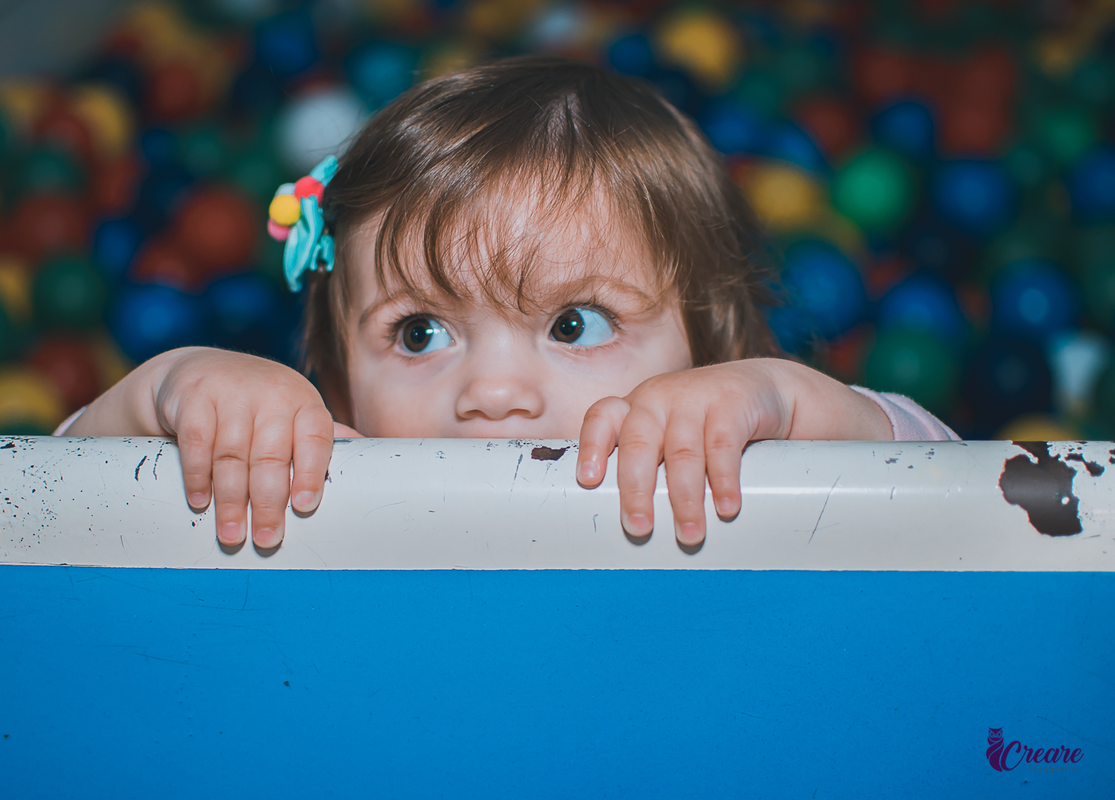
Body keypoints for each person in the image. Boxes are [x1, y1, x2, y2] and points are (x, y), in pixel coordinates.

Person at [59, 56, 956, 551]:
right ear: (336, 386)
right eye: (419, 332)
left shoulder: (728, 485)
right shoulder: (308, 492)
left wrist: (791, 406)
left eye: (575, 324)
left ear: (708, 359)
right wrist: (168, 393)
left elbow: (960, 496)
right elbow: (30, 516)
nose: (493, 392)